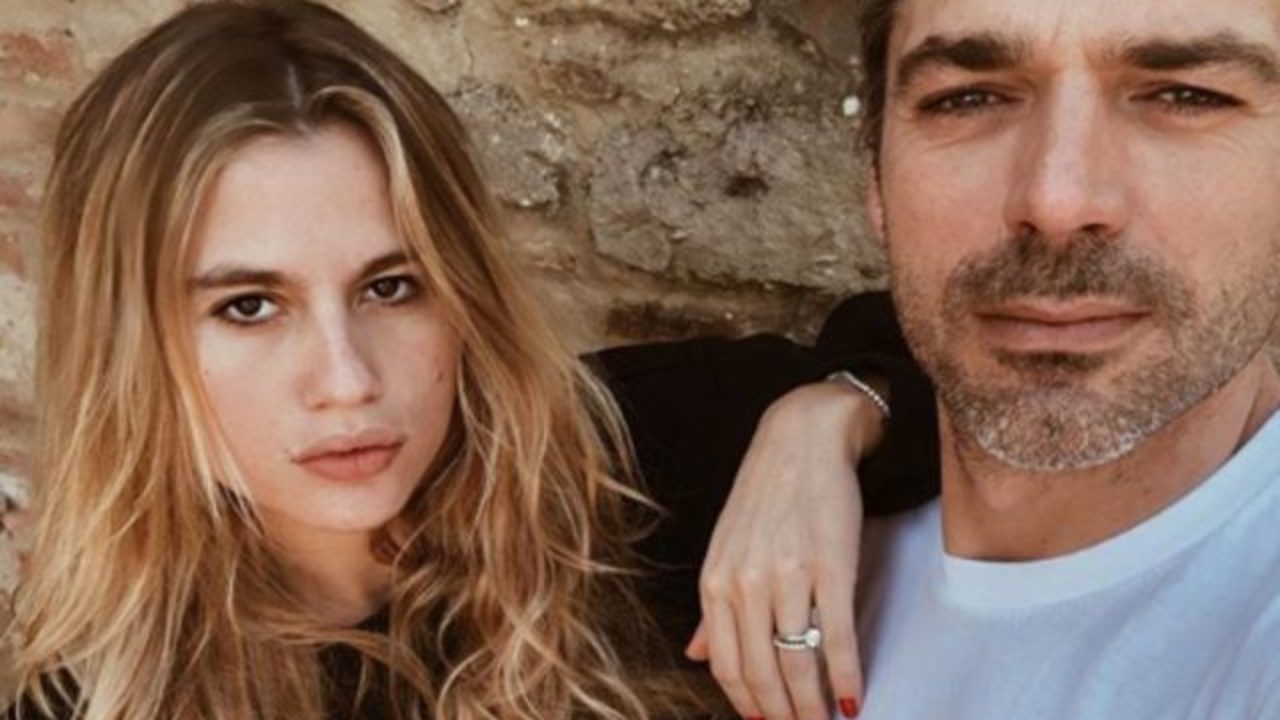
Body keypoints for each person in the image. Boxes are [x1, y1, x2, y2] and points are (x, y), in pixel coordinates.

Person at [3, 1, 938, 718]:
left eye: (391, 286)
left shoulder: (637, 463)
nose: (347, 380)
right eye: (249, 307)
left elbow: (984, 377)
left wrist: (828, 421)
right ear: (131, 345)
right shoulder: (88, 698)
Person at [816, 0, 1280, 717]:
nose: (1056, 201)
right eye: (968, 98)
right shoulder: (717, 527)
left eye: (1186, 96)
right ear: (875, 176)